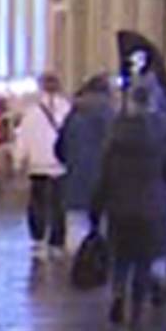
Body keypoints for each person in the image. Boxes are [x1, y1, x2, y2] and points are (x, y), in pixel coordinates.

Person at [95, 90, 166, 331]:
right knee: (143, 259)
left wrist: (97, 206)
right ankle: (136, 307)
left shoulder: (116, 136)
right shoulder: (163, 135)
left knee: (121, 255)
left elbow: (105, 176)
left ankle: (118, 292)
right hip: (152, 205)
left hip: (119, 206)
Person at [61, 74, 120, 287]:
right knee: (104, 225)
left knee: (77, 223)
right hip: (107, 183)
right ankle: (101, 267)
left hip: (77, 180)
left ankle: (80, 267)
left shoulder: (74, 114)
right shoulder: (115, 117)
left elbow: (60, 149)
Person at [7, 74, 67, 249]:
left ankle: (38, 234)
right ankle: (57, 238)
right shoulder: (66, 108)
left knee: (37, 199)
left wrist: (18, 160)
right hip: (60, 162)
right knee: (58, 201)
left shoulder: (31, 112)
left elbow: (23, 138)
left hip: (38, 162)